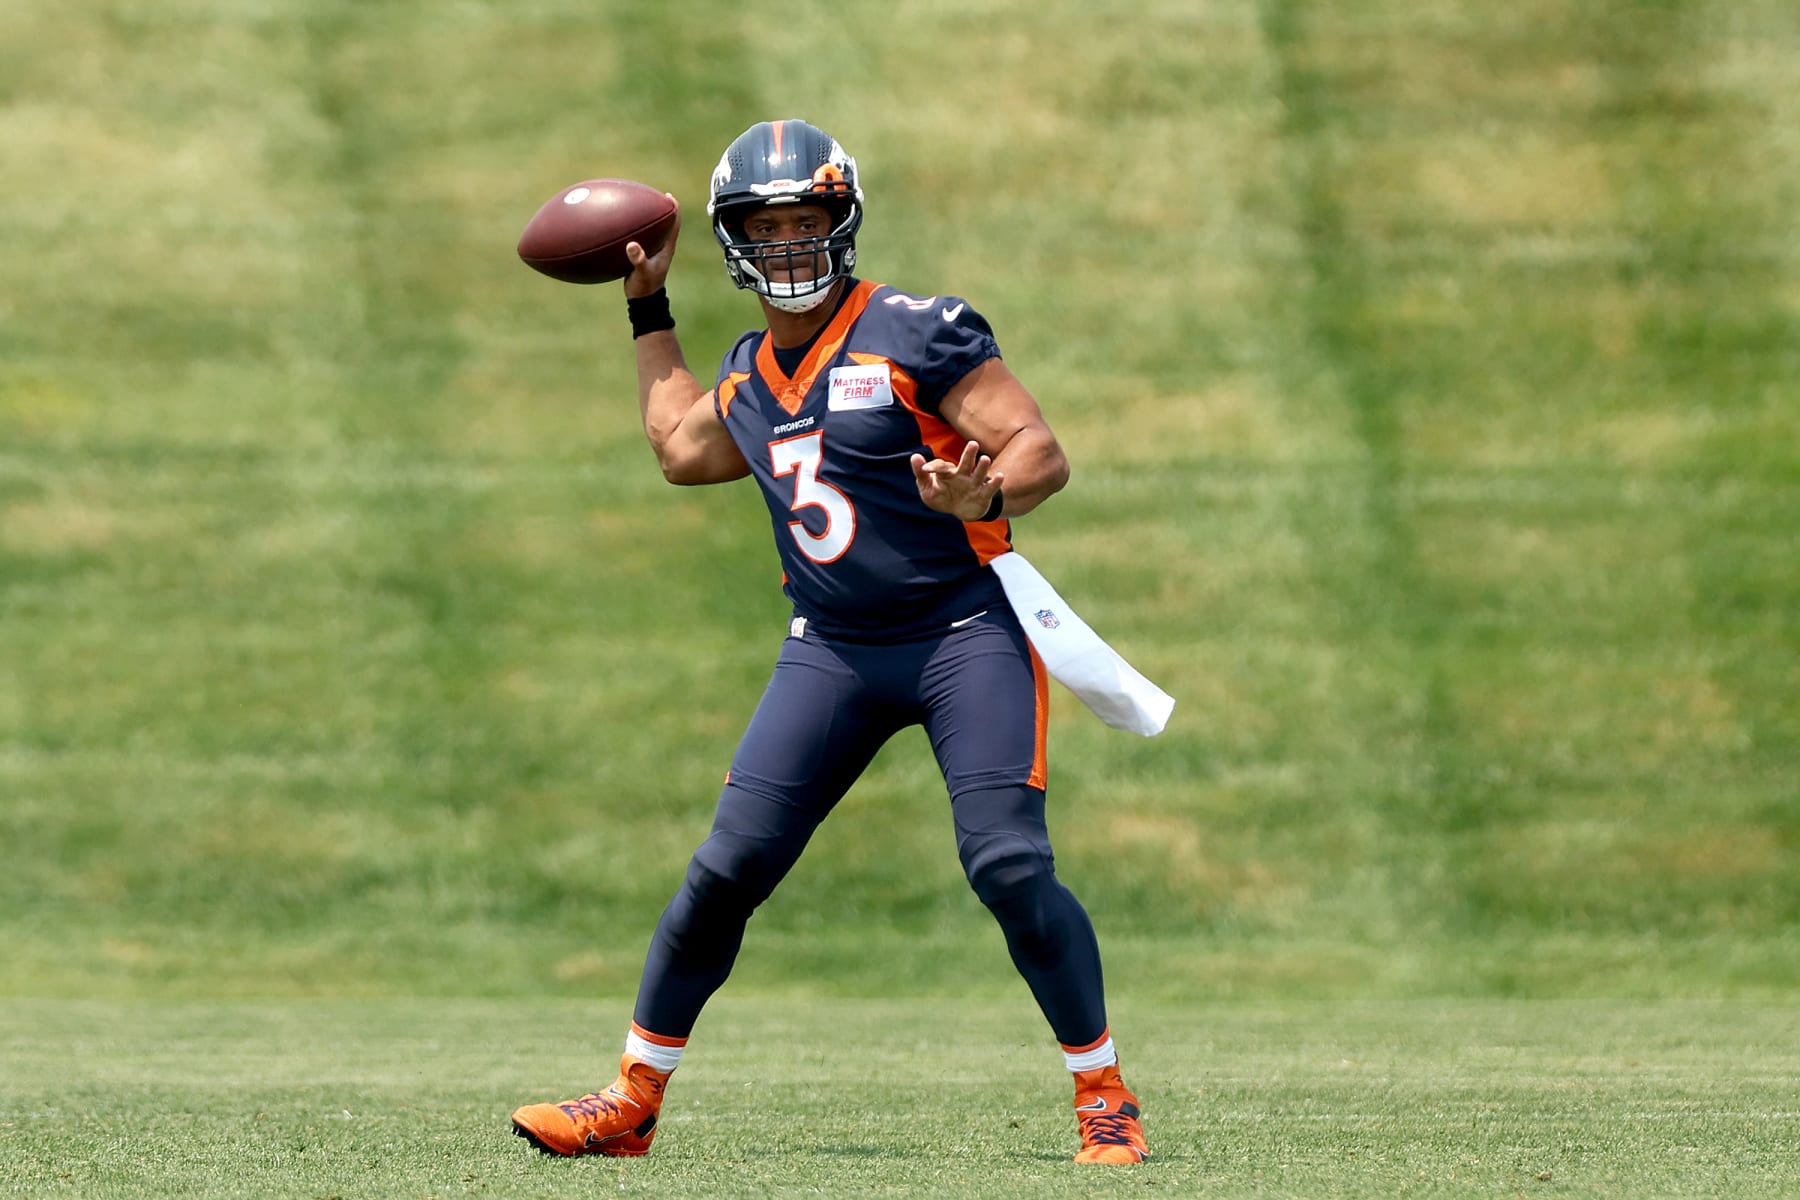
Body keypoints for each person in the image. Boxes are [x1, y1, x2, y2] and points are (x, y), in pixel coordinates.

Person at [510, 119, 1148, 1165]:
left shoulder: (918, 330)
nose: (791, 245)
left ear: (843, 222)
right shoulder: (753, 374)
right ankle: (631, 1100)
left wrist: (986, 487)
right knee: (725, 869)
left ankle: (1103, 1095)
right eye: (768, 227)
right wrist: (646, 304)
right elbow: (679, 447)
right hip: (835, 648)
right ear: (734, 241)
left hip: (962, 629)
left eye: (808, 221)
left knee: (1007, 865)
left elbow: (1041, 448)